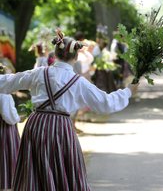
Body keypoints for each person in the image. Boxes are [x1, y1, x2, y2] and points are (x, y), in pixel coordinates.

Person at [0, 29, 138, 191]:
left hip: (36, 126)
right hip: (61, 128)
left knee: (35, 175)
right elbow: (105, 103)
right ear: (76, 56)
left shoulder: (38, 73)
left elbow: (8, 82)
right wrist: (128, 91)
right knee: (63, 170)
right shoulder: (78, 82)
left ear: (55, 53)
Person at [0, 64, 20, 191]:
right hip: (4, 131)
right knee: (5, 157)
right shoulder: (4, 95)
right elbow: (9, 117)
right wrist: (18, 118)